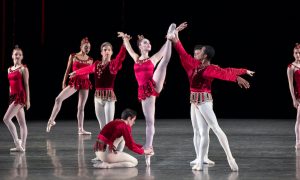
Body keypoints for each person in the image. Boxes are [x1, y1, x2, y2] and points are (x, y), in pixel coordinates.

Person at [167, 22, 255, 171]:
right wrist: (176, 36)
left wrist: (238, 76)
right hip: (194, 101)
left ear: (205, 55)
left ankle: (229, 157)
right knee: (197, 131)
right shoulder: (195, 65)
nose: (196, 53)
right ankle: (200, 160)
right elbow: (181, 51)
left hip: (205, 102)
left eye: (199, 51)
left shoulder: (209, 69)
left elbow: (225, 72)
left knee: (214, 128)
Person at [117, 23, 176, 166]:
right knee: (150, 121)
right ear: (140, 46)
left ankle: (170, 34)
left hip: (154, 83)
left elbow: (163, 51)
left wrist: (169, 40)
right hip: (144, 92)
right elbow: (129, 48)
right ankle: (149, 147)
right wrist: (125, 38)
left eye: (149, 43)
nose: (148, 44)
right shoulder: (136, 58)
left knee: (163, 63)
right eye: (145, 42)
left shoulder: (153, 58)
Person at [69, 34, 127, 160]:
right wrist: (76, 72)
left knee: (109, 126)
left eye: (109, 49)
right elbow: (88, 69)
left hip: (109, 99)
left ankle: (115, 147)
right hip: (98, 98)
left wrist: (124, 43)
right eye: (105, 49)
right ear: (101, 52)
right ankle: (103, 154)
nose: (107, 51)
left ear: (111, 52)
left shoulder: (113, 64)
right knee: (102, 127)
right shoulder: (96, 64)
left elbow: (121, 56)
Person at [46, 37, 93, 135]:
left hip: (85, 82)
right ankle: (51, 120)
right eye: (85, 46)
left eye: (89, 47)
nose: (87, 48)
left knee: (81, 107)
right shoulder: (73, 56)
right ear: (81, 46)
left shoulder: (90, 60)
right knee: (58, 99)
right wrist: (64, 82)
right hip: (74, 82)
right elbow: (67, 70)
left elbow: (88, 72)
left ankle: (80, 129)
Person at [3, 45, 30, 152]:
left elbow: (27, 85)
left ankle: (18, 143)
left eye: (19, 54)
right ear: (12, 56)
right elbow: (10, 85)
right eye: (16, 54)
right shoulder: (9, 69)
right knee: (22, 123)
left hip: (20, 97)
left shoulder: (23, 69)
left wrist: (28, 100)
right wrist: (10, 97)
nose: (17, 56)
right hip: (13, 97)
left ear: (22, 56)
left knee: (6, 119)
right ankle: (22, 146)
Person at [287, 43, 300, 149]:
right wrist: (294, 99)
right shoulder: (291, 67)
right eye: (296, 53)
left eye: (299, 53)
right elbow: (291, 84)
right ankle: (298, 142)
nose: (298, 55)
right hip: (299, 95)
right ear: (293, 54)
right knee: (299, 119)